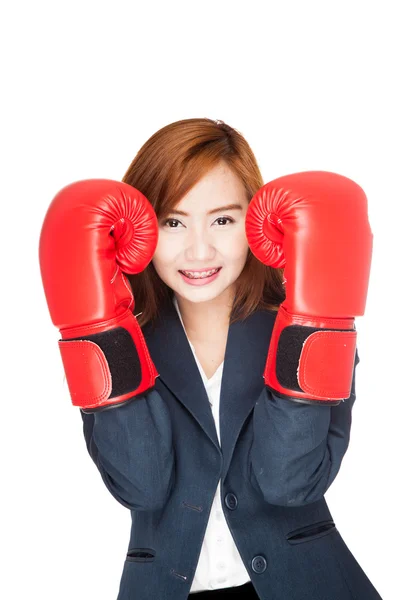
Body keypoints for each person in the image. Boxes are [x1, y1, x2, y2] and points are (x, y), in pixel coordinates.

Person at [39, 118, 383, 599]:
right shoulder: (119, 344)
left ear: (260, 225)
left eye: (223, 220)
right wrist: (95, 327)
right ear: (137, 231)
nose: (199, 250)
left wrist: (315, 319)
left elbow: (289, 482)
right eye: (172, 222)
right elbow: (140, 486)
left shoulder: (307, 329)